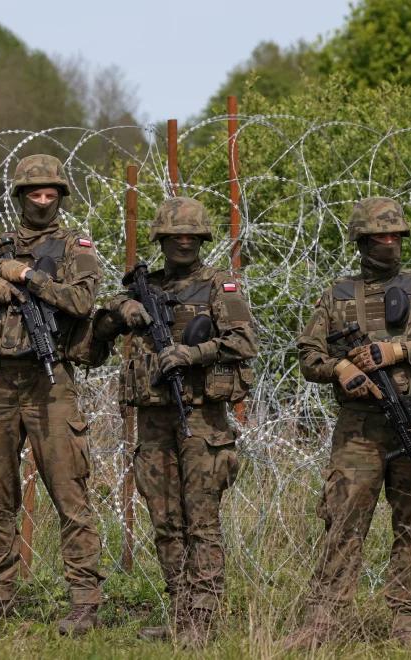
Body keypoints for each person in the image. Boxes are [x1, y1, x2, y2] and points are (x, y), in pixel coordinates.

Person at [285, 197, 411, 648]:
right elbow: (308, 354)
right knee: (343, 519)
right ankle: (323, 622)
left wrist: (400, 351)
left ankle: (408, 622)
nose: (389, 244)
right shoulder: (338, 294)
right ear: (362, 242)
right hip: (359, 428)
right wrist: (341, 370)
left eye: (395, 237)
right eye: (380, 237)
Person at [0, 154, 105, 636]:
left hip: (49, 383)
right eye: (33, 193)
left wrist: (27, 277)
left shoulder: (76, 248)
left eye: (49, 193)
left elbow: (81, 302)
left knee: (69, 493)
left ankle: (84, 601)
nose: (41, 200)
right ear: (19, 197)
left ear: (60, 196)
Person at [90, 196, 258, 647]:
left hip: (202, 419)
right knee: (165, 521)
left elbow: (243, 341)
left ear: (201, 239)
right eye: (174, 236)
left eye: (190, 236)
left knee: (201, 522)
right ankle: (181, 614)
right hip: (154, 420)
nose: (182, 243)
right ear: (161, 239)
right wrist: (119, 311)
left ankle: (201, 620)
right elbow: (93, 339)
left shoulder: (218, 287)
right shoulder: (143, 289)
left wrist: (192, 353)